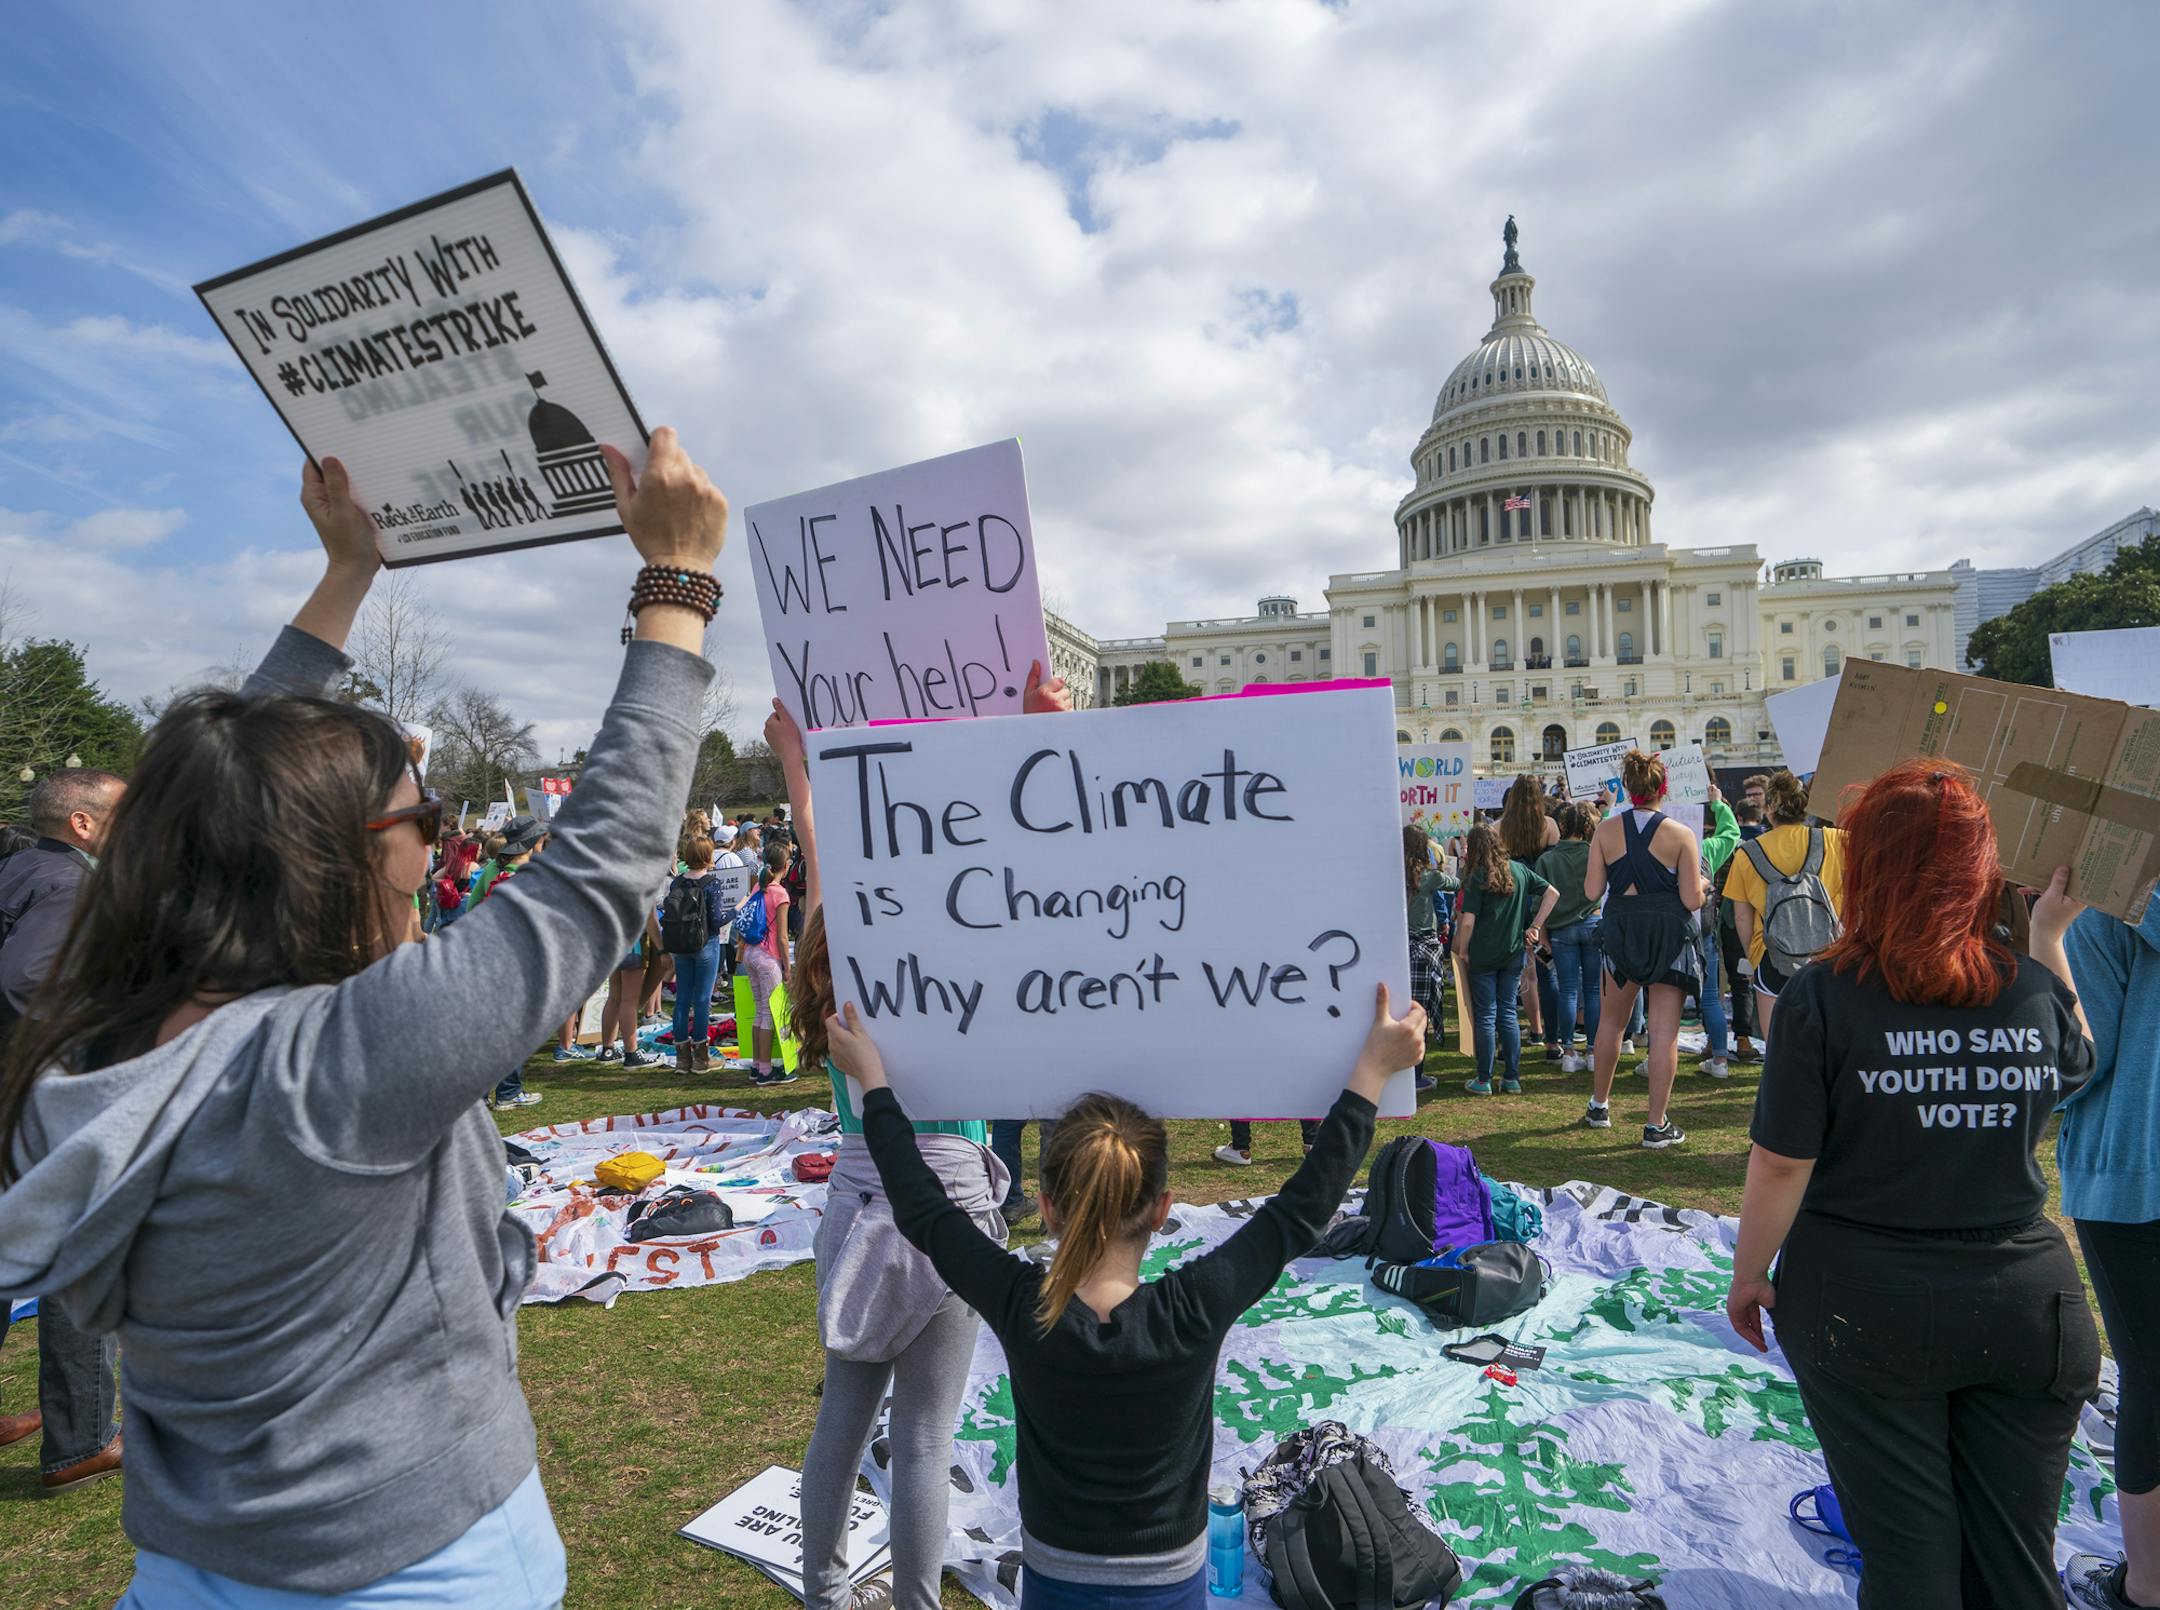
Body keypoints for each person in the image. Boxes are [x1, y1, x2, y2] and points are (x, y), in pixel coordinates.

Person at [0, 430, 729, 1607]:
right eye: (423, 815)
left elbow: (219, 801)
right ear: (342, 856)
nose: (434, 839)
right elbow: (600, 870)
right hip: (416, 1568)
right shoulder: (336, 1063)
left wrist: (345, 579)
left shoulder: (92, 1037)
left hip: (195, 1563)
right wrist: (677, 586)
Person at [830, 984, 1425, 1608]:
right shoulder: (1194, 1306)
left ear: (1048, 1208)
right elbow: (1302, 1210)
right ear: (1164, 1209)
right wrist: (1371, 1072)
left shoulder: (1019, 1301)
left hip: (1056, 1583)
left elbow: (922, 1206)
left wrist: (875, 1082)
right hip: (1170, 1585)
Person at [1726, 761, 2099, 1609]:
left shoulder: (1822, 994)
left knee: (1909, 1565)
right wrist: (2047, 940)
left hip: (1864, 1306)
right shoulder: (2029, 989)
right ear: (1980, 871)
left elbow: (1781, 1161)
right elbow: (2077, 1061)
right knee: (2015, 1568)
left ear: (1867, 868)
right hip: (2024, 1308)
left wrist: (1749, 1274)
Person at [0, 767, 127, 1496]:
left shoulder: (16, 868)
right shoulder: (70, 886)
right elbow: (26, 980)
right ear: (82, 823)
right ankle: (79, 1439)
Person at [2059, 885, 2160, 1610]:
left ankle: (2147, 1586)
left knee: (2151, 1387)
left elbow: (2076, 1063)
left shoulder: (2104, 916)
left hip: (2129, 1178)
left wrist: (2043, 943)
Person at [1582, 750, 1704, 1148]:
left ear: (1628, 788)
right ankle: (1655, 1124)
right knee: (1664, 1032)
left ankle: (1599, 1105)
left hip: (1620, 930)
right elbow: (1691, 900)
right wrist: (1703, 886)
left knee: (1611, 1023)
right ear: (1662, 788)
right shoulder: (1682, 834)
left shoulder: (1604, 829)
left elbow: (1591, 892)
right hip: (1668, 933)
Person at [1725, 770, 1849, 1042]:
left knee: (1778, 1047)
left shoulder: (1747, 852)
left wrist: (1752, 958)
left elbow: (1742, 917)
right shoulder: (1837, 840)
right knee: (1831, 1043)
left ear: (1768, 808)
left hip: (1771, 956)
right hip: (1829, 953)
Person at [1454, 823, 1556, 1097]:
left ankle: (1484, 1078)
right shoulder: (1520, 870)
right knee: (1508, 1013)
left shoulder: (1476, 876)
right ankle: (1511, 1077)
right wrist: (1535, 926)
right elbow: (1552, 893)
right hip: (1513, 953)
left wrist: (1463, 951)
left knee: (1487, 1015)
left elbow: (1467, 923)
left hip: (1483, 955)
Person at [1535, 803, 1600, 1073]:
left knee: (1568, 990)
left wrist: (1543, 930)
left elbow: (1539, 900)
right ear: (1586, 827)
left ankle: (1570, 1049)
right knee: (1593, 990)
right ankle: (1594, 1049)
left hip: (1561, 928)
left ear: (1561, 827)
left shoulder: (1546, 859)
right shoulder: (1594, 854)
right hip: (1593, 923)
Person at [1498, 775, 1560, 1057]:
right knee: (1546, 970)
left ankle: (1517, 1033)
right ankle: (1548, 1038)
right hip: (1542, 901)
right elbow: (1551, 864)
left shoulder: (1498, 828)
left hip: (1513, 903)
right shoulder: (1549, 826)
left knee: (1518, 973)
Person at [663, 835, 730, 1075]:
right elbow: (716, 920)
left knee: (682, 998)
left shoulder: (677, 883)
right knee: (702, 1000)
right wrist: (738, 908)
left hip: (681, 945)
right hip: (706, 943)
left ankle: (682, 1058)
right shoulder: (711, 883)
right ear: (707, 856)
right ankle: (701, 1056)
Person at [745, 837, 795, 1084]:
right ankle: (765, 1071)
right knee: (768, 1013)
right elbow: (783, 938)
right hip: (768, 957)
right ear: (785, 866)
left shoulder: (758, 888)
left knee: (758, 1011)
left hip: (750, 953)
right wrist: (787, 968)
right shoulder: (780, 894)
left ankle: (757, 1065)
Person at [1720, 799, 1766, 1062]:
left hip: (1731, 921)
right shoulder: (1768, 843)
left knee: (1738, 982)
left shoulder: (1730, 846)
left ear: (1737, 818)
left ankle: (1742, 1038)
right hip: (1763, 920)